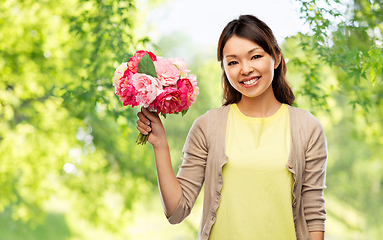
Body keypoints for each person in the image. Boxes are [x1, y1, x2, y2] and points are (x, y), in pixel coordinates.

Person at [136, 15, 327, 240]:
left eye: (255, 56)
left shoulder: (307, 127)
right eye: (233, 62)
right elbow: (176, 211)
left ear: (276, 58)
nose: (245, 69)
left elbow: (313, 212)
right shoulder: (208, 126)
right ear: (225, 68)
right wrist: (160, 145)